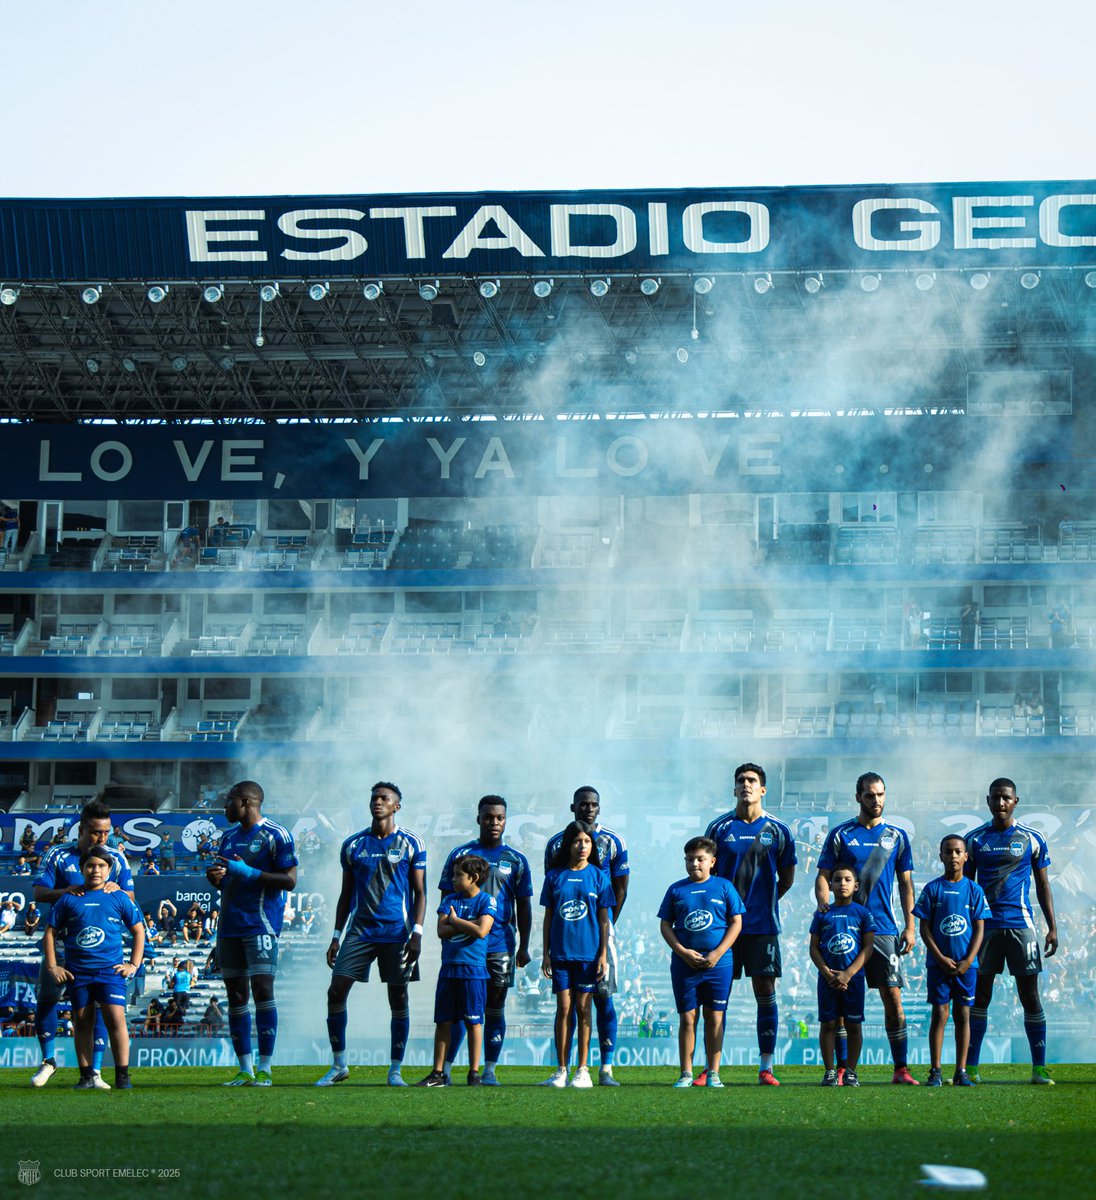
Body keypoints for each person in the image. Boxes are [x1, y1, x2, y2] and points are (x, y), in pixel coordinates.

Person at [314, 781, 426, 1088]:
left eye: (384, 798)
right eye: (374, 798)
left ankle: (395, 1070)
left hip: (397, 932)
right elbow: (345, 895)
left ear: (396, 806)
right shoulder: (352, 845)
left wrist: (416, 933)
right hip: (360, 931)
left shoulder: (412, 843)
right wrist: (336, 936)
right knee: (336, 990)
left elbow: (420, 893)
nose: (377, 802)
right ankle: (339, 1065)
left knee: (398, 996)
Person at [814, 772, 918, 1084]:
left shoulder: (897, 836)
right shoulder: (841, 834)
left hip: (884, 929)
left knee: (893, 998)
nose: (876, 801)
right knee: (842, 1001)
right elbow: (823, 875)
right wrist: (823, 902)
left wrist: (910, 925)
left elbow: (906, 885)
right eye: (870, 795)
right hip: (846, 929)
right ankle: (844, 1068)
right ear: (858, 797)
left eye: (881, 795)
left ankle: (900, 1068)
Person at [30, 798, 134, 1088]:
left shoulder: (117, 859)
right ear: (82, 829)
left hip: (100, 949)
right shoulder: (58, 855)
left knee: (98, 1006)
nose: (102, 838)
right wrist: (67, 890)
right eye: (96, 832)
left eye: (106, 832)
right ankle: (48, 1061)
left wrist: (118, 891)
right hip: (62, 946)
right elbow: (39, 892)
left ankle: (96, 1072)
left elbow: (131, 900)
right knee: (48, 999)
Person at [704, 762, 796, 1086]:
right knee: (718, 995)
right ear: (734, 788)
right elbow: (707, 878)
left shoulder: (779, 830)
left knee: (765, 992)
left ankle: (766, 1067)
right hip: (722, 928)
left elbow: (786, 879)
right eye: (741, 780)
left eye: (752, 780)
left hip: (762, 926)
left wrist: (762, 904)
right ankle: (711, 1068)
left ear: (763, 789)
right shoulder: (717, 829)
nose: (746, 785)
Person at [964, 778, 1059, 1085]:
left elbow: (1043, 885)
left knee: (1030, 997)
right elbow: (965, 887)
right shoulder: (975, 840)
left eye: (1006, 798)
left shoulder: (1032, 838)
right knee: (980, 997)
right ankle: (972, 1068)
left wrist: (1052, 927)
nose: (1001, 803)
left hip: (1022, 926)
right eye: (995, 798)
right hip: (985, 928)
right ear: (988, 801)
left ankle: (1039, 1068)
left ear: (1016, 801)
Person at [435, 794, 533, 1085]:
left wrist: (525, 944)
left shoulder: (516, 860)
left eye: (499, 818)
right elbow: (446, 900)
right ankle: (447, 1070)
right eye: (488, 817)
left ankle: (488, 1070)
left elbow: (524, 906)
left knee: (494, 1007)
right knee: (459, 1012)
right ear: (478, 818)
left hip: (500, 945)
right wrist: (447, 933)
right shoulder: (459, 855)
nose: (494, 822)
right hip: (464, 948)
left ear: (506, 821)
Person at [206, 779, 298, 1086]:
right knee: (235, 996)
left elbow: (289, 881)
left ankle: (265, 1068)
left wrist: (248, 872)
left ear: (245, 802)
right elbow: (225, 877)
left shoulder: (277, 834)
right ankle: (244, 1069)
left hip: (260, 924)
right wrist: (216, 876)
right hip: (229, 926)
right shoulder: (228, 837)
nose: (225, 807)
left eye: (229, 800)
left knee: (262, 991)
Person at [544, 786, 628, 1085]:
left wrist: (599, 930)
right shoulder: (556, 845)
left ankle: (605, 1068)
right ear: (573, 807)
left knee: (601, 999)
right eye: (583, 804)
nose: (588, 809)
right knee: (567, 1006)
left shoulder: (613, 841)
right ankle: (564, 1069)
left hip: (598, 936)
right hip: (568, 940)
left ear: (599, 808)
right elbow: (553, 901)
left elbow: (621, 889)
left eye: (593, 804)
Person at [43, 846, 144, 1090]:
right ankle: (86, 1076)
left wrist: (133, 964)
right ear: (81, 869)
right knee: (82, 1021)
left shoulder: (118, 896)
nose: (95, 870)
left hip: (110, 972)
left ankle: (123, 1076)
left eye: (101, 866)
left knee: (115, 1020)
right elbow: (50, 933)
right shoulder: (69, 898)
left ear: (109, 870)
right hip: (79, 973)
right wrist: (53, 966)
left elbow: (138, 930)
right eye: (90, 865)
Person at [658, 836, 745, 1088]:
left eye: (700, 859)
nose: (694, 863)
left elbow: (736, 922)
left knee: (714, 1018)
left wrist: (717, 953)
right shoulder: (676, 889)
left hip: (719, 964)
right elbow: (665, 924)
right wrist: (682, 951)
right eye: (689, 859)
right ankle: (685, 1073)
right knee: (688, 1018)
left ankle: (713, 1073)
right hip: (685, 964)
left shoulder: (724, 887)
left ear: (712, 861)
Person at [538, 820, 614, 1088]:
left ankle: (583, 1070)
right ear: (568, 845)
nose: (583, 846)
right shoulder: (554, 876)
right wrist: (546, 953)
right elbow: (548, 917)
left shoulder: (599, 876)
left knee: (584, 1009)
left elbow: (605, 920)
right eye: (577, 841)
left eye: (587, 842)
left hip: (589, 954)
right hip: (560, 954)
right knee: (564, 1009)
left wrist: (603, 954)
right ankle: (561, 1070)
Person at [914, 835, 992, 1087]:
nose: (954, 856)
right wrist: (939, 956)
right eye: (948, 852)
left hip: (966, 966)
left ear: (966, 856)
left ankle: (961, 1071)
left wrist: (969, 959)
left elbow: (979, 928)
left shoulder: (974, 890)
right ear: (941, 856)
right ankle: (935, 1070)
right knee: (939, 1014)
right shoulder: (932, 889)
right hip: (939, 965)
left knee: (963, 1016)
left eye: (959, 851)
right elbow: (924, 927)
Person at [417, 855, 497, 1087]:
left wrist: (455, 920)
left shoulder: (487, 901)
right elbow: (441, 931)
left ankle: (474, 1073)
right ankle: (438, 1073)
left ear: (473, 878)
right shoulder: (450, 899)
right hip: (449, 970)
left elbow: (482, 931)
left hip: (473, 970)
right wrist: (463, 923)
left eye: (457, 875)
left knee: (474, 1022)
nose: (453, 879)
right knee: (443, 1022)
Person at [809, 864, 874, 1087]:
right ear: (830, 885)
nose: (842, 883)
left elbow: (868, 948)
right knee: (828, 1024)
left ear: (856, 886)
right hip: (827, 979)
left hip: (853, 979)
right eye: (837, 880)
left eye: (847, 880)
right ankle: (829, 1072)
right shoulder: (822, 914)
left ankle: (851, 1072)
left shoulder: (863, 914)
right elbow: (814, 948)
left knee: (854, 1026)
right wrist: (827, 974)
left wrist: (848, 973)